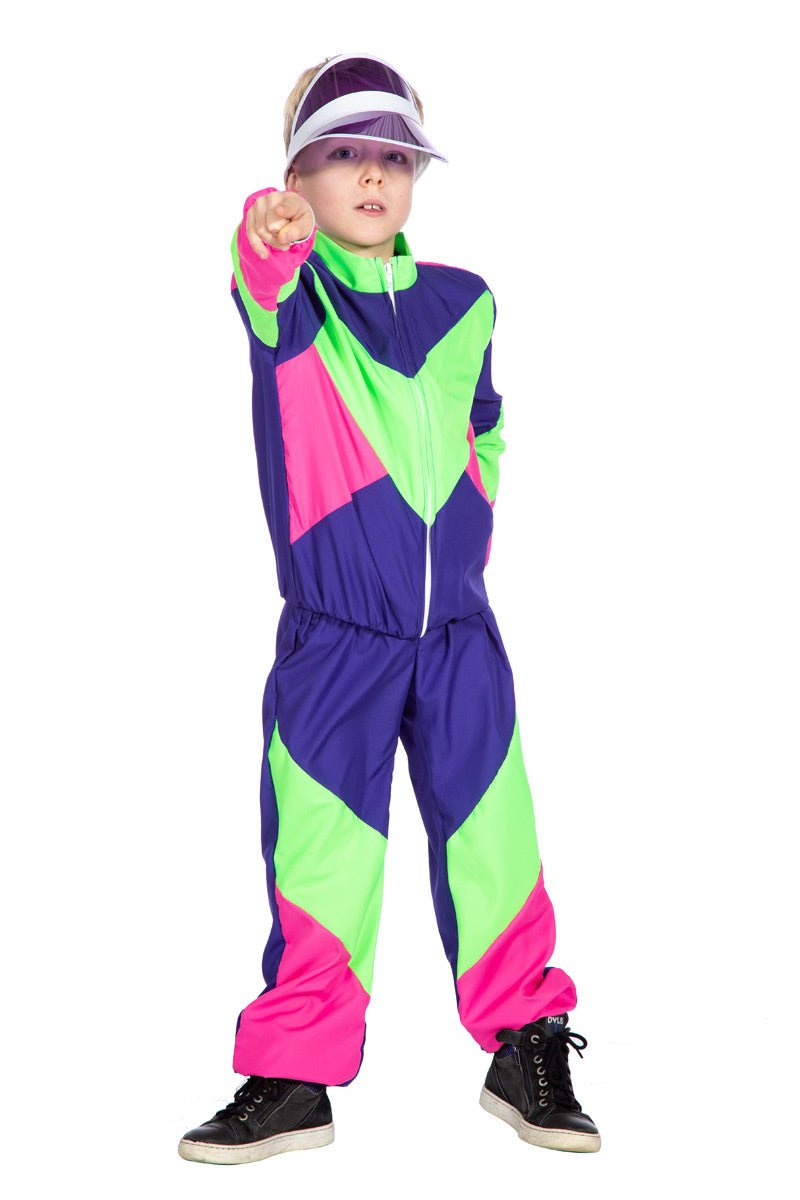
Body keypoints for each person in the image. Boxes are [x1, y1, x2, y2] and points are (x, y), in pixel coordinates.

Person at [178, 52, 601, 1165]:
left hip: (459, 638)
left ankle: (526, 1047)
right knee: (322, 861)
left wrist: (472, 516)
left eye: (395, 158)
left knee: (497, 844)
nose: (373, 176)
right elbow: (259, 266)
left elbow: (484, 422)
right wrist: (267, 235)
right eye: (342, 155)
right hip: (338, 641)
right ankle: (293, 1077)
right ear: (297, 179)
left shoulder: (466, 301)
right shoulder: (293, 301)